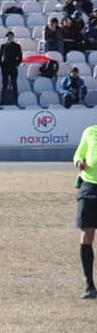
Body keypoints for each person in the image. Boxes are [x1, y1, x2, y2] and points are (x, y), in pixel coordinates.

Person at [71, 125, 97, 310]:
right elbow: (77, 155)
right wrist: (79, 161)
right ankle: (89, 285)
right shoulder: (90, 132)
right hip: (89, 188)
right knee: (87, 234)